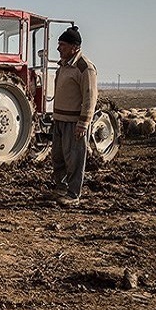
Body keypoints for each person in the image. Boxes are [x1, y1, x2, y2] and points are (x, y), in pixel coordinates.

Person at [51, 25, 98, 206]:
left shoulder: (84, 68)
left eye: (62, 45)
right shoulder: (63, 65)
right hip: (60, 119)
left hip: (74, 122)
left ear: (74, 47)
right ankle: (61, 188)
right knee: (58, 157)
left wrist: (83, 123)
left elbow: (90, 97)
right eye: (59, 44)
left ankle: (73, 194)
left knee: (75, 158)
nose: (58, 48)